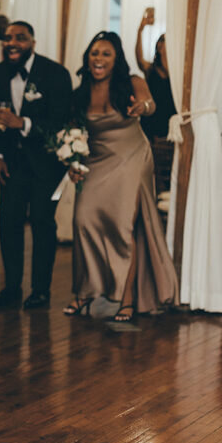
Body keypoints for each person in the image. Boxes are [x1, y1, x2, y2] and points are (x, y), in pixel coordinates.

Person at [65, 31, 177, 322]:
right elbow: (74, 134)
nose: (98, 59)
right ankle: (84, 292)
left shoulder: (132, 82)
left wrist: (144, 107)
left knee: (124, 226)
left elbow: (149, 103)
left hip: (133, 158)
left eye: (105, 54)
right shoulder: (80, 92)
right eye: (94, 53)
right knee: (83, 220)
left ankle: (126, 300)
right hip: (97, 161)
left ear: (116, 60)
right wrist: (72, 163)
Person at [0, 21, 72, 309]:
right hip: (12, 164)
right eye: (8, 38)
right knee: (7, 223)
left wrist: (23, 123)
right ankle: (11, 287)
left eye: (20, 38)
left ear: (33, 42)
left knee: (42, 224)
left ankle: (40, 291)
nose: (12, 43)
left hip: (48, 166)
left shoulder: (56, 74)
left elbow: (61, 122)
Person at [134, 8, 176, 141]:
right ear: (158, 46)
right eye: (162, 39)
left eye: (166, 39)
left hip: (169, 124)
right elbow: (140, 58)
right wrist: (140, 29)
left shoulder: (176, 73)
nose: (164, 42)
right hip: (151, 124)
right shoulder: (151, 69)